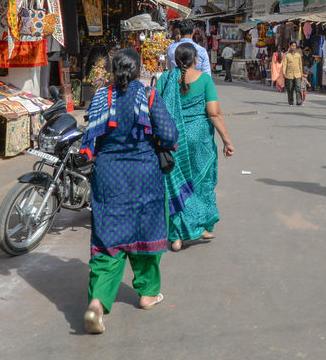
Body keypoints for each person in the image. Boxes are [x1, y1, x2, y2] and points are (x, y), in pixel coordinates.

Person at [80, 48, 179, 334]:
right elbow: (170, 134)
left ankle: (97, 304)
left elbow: (91, 137)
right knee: (145, 233)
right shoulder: (148, 96)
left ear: (113, 70)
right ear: (138, 70)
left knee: (108, 239)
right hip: (144, 175)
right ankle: (148, 294)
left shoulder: (100, 97)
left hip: (109, 175)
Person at [162, 43, 235, 252]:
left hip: (173, 141)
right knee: (200, 183)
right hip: (199, 140)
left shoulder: (166, 79)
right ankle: (201, 227)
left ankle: (176, 236)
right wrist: (227, 141)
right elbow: (214, 113)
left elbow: (156, 109)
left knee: (176, 186)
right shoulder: (204, 80)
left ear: (175, 60)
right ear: (196, 60)